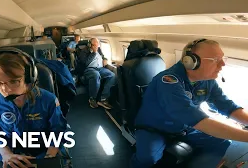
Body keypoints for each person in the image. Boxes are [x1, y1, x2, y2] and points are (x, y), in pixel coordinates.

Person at [130, 38, 248, 168]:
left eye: (222, 59)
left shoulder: (207, 80)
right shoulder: (168, 81)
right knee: (148, 158)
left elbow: (228, 106)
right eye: (215, 60)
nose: (222, 65)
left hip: (185, 127)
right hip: (155, 128)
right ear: (191, 62)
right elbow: (193, 117)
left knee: (222, 142)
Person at [0, 48, 71, 168]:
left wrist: (48, 159)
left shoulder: (48, 100)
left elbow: (58, 131)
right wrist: (6, 154)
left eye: (13, 81)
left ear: (29, 78)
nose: (4, 89)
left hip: (44, 150)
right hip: (11, 153)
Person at [77, 38, 116, 109]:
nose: (96, 46)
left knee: (112, 75)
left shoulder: (99, 49)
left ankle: (103, 98)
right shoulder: (84, 51)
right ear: (90, 45)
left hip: (100, 68)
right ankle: (92, 99)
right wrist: (94, 53)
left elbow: (103, 56)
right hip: (89, 69)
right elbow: (85, 63)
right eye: (94, 45)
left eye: (97, 44)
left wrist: (105, 59)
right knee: (96, 75)